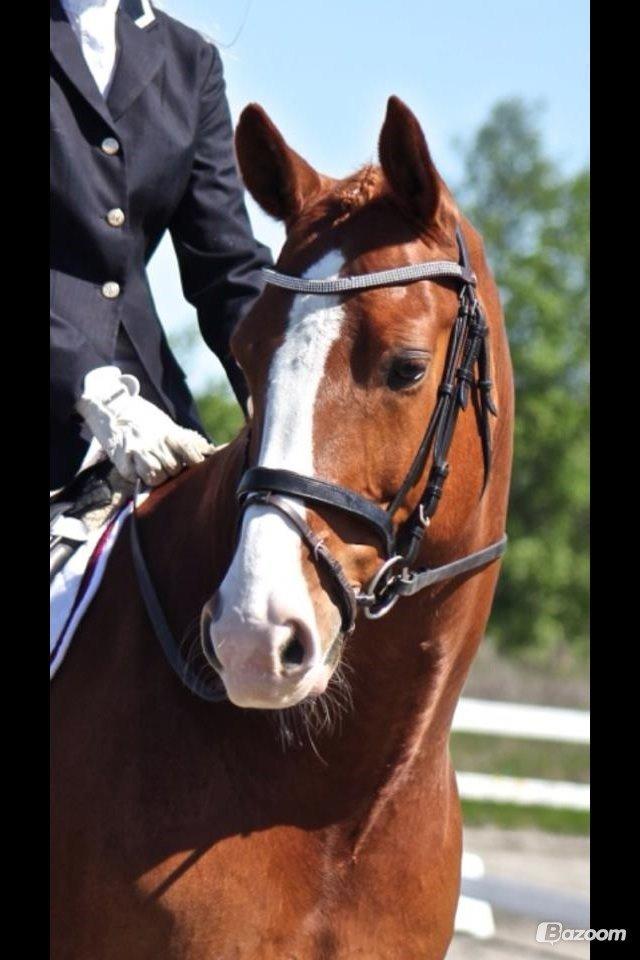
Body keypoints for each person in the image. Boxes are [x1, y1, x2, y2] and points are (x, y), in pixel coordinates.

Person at [50, 0, 271, 494]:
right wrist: (94, 389)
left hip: (155, 411)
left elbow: (227, 267)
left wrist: (273, 383)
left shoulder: (189, 61)